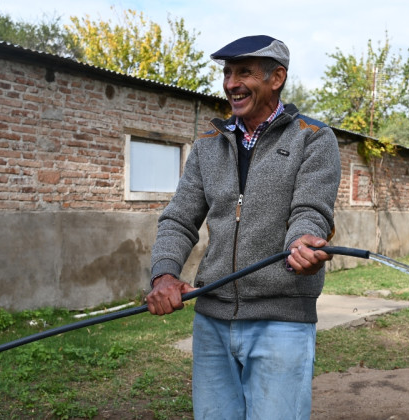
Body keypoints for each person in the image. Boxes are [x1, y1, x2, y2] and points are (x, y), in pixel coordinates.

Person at [145, 35, 341, 419]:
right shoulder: (208, 145)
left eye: (244, 73)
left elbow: (310, 210)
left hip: (281, 322)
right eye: (227, 73)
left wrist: (303, 243)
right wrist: (164, 275)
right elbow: (180, 217)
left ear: (276, 78)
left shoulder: (313, 139)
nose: (231, 83)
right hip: (212, 321)